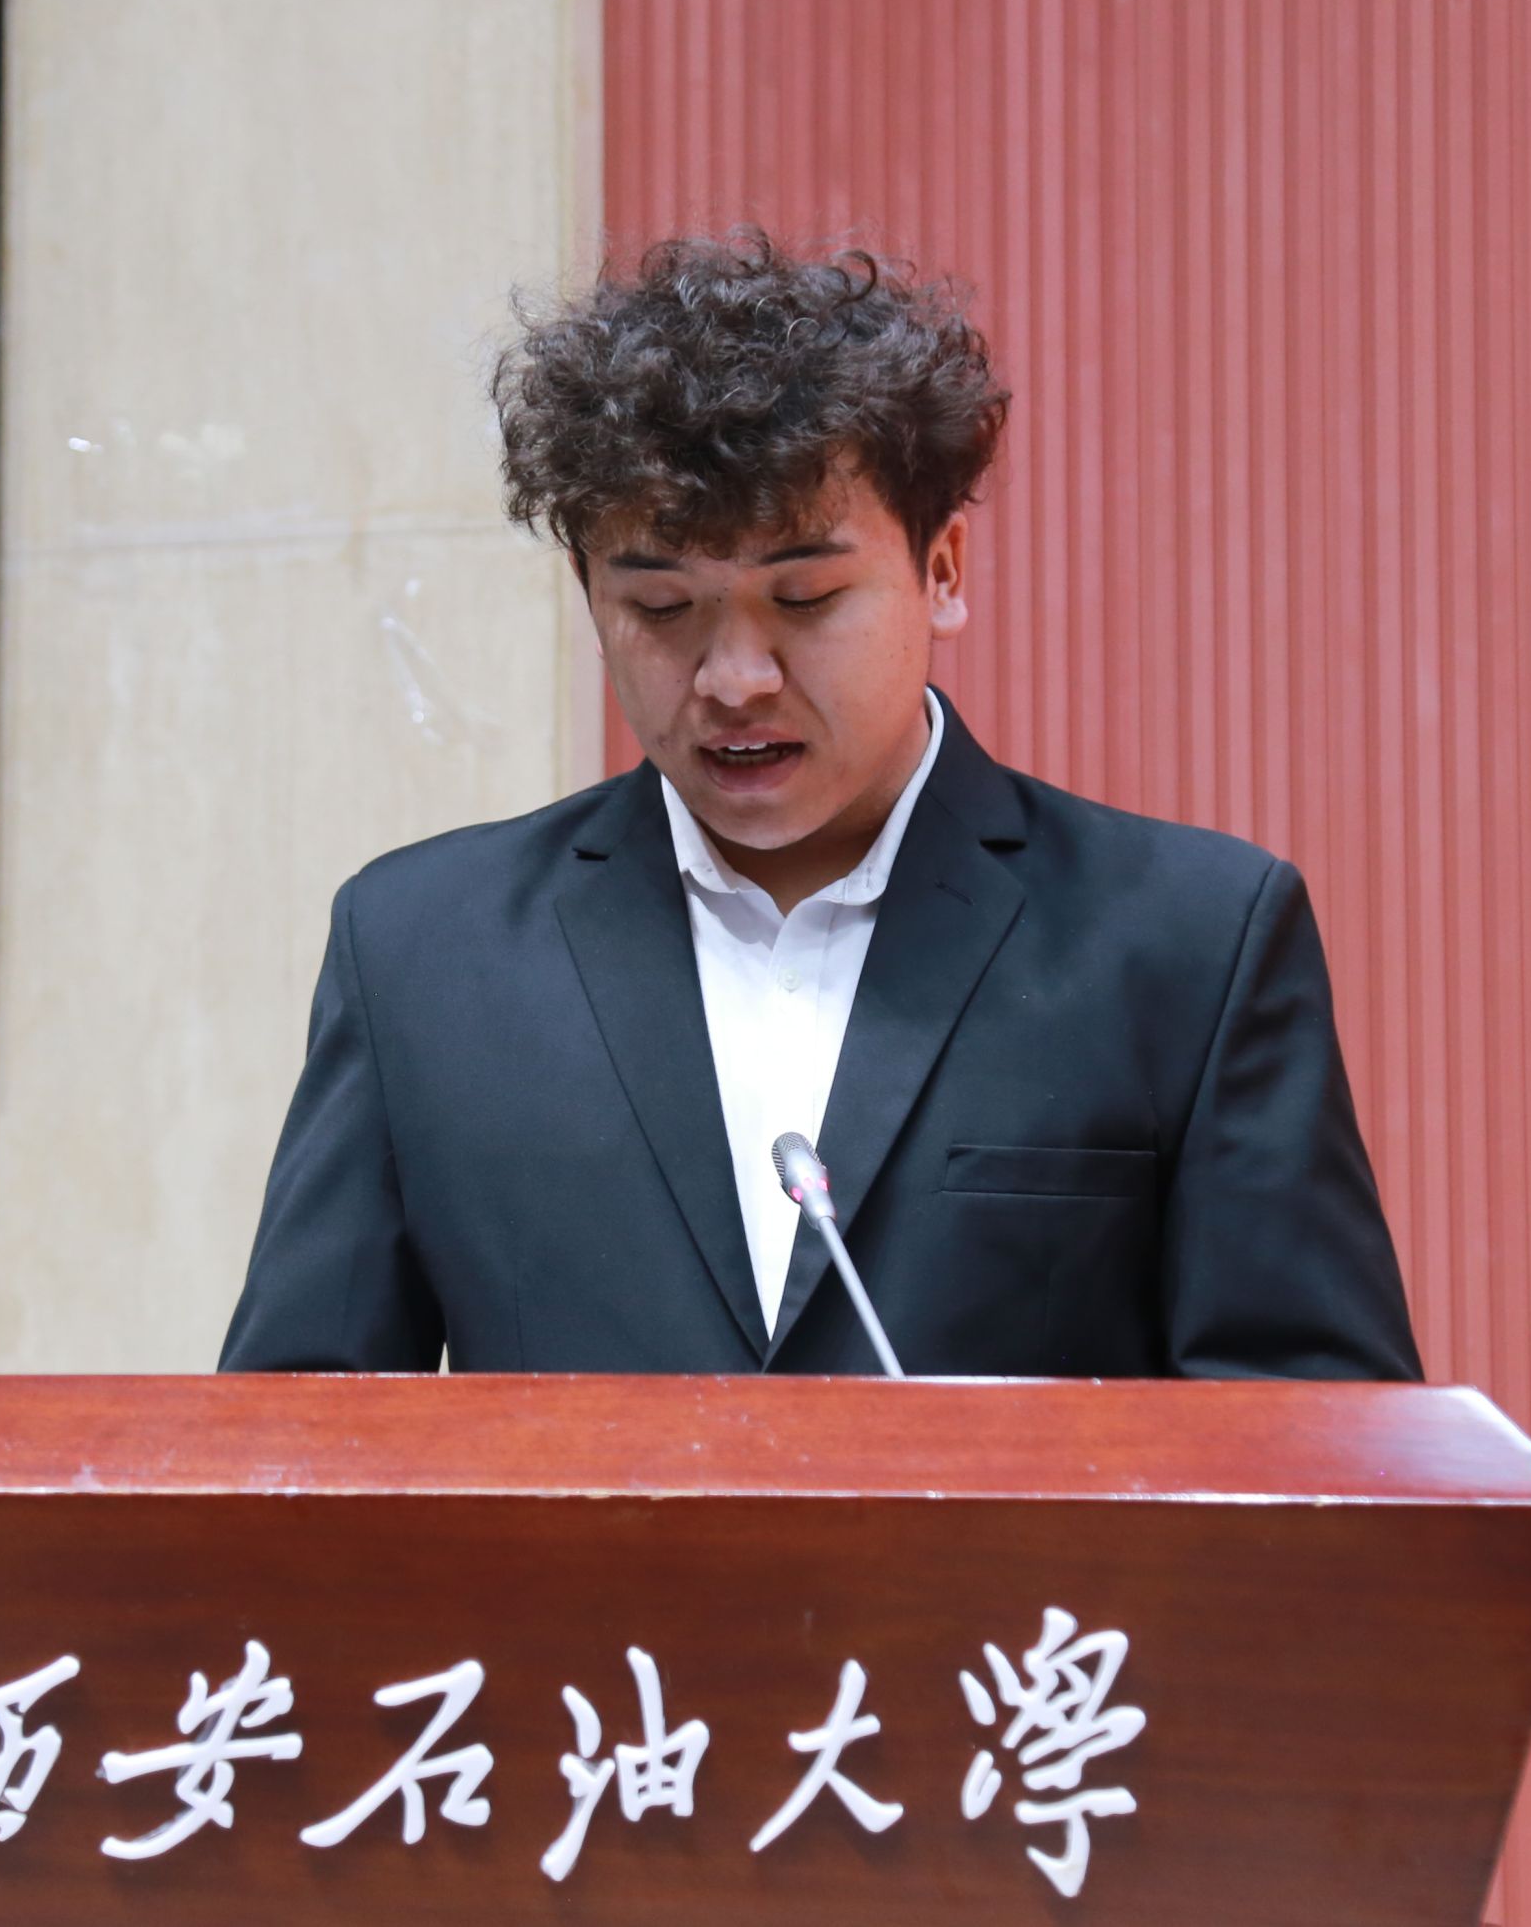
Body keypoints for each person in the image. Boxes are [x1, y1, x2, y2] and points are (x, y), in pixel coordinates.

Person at [219, 230, 1421, 1381]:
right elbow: (293, 1445)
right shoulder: (421, 953)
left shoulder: (1186, 942)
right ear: (590, 600)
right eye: (661, 610)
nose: (733, 677)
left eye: (803, 601)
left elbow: (1315, 1450)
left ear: (939, 570)